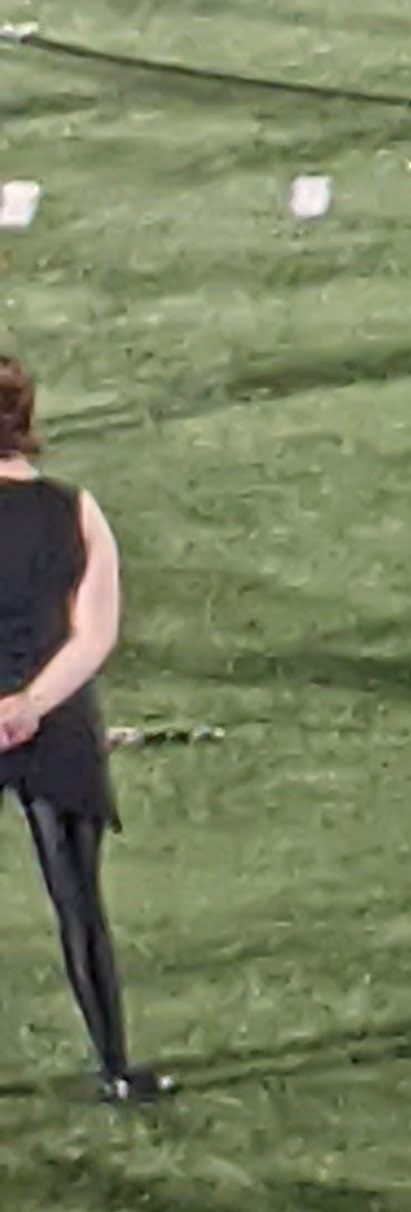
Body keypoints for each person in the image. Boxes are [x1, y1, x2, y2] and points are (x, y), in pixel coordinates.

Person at [0, 359, 164, 1101]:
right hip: (56, 719)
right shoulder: (77, 509)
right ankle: (114, 1066)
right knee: (80, 905)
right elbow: (95, 635)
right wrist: (31, 704)